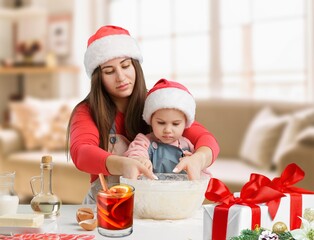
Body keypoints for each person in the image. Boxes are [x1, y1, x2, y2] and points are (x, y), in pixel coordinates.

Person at [67, 25, 220, 204]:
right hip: (108, 202)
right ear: (97, 78)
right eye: (109, 71)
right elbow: (81, 152)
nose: (121, 77)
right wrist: (124, 165)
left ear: (135, 66)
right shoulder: (86, 111)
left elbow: (206, 139)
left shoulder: (157, 102)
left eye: (125, 66)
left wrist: (199, 159)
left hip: (156, 201)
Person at [124, 78, 199, 174]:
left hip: (180, 189)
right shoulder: (144, 142)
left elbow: (201, 173)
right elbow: (135, 152)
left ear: (185, 123)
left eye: (175, 124)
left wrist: (194, 164)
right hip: (152, 188)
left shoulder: (188, 146)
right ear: (150, 120)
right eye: (161, 123)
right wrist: (140, 159)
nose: (167, 130)